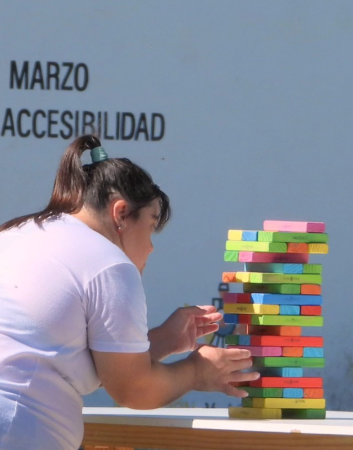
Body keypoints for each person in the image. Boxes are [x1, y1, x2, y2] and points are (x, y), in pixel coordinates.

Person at [0, 135, 259, 450]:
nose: (151, 246)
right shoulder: (108, 263)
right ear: (121, 213)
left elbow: (62, 353)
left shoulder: (16, 233)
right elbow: (133, 390)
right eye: (151, 225)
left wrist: (163, 339)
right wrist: (197, 371)